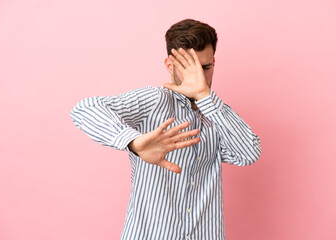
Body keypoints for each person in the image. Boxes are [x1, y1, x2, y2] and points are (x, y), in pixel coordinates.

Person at [70, 18, 262, 240]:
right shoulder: (155, 100)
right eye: (190, 69)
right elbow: (85, 109)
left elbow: (248, 154)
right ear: (170, 66)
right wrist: (134, 142)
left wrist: (204, 97)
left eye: (205, 68)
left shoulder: (218, 116)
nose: (199, 77)